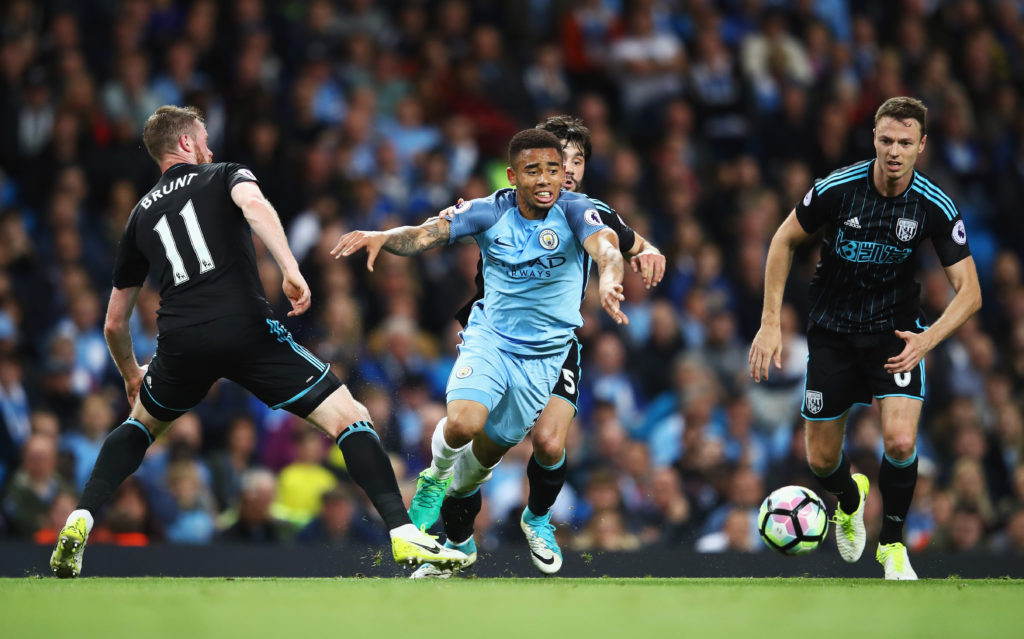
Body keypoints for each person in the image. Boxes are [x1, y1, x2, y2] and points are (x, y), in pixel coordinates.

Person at [49, 105, 465, 578]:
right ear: (185, 143)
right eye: (202, 139)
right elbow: (256, 206)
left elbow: (113, 322)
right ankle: (403, 532)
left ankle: (80, 516)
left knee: (140, 424)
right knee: (351, 417)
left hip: (180, 339)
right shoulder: (223, 174)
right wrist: (290, 267)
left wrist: (130, 375)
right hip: (243, 326)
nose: (209, 148)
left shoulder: (138, 217)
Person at [333, 128, 628, 576]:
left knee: (482, 462)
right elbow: (425, 234)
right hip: (490, 340)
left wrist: (609, 278)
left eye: (553, 169)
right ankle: (434, 476)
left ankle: (460, 531)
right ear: (513, 176)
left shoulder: (575, 210)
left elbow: (606, 247)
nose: (547, 179)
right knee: (464, 421)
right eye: (534, 171)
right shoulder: (489, 211)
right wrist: (384, 236)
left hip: (544, 360)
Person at [749, 97, 982, 580]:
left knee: (899, 442)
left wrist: (927, 339)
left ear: (922, 145)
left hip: (895, 335)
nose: (894, 151)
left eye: (904, 142)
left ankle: (892, 546)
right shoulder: (837, 189)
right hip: (832, 334)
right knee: (820, 460)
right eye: (885, 141)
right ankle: (851, 498)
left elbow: (971, 293)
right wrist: (771, 322)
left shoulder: (933, 205)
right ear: (874, 140)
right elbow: (782, 240)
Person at [435, 115, 666, 576]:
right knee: (474, 440)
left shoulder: (586, 209)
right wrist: (449, 216)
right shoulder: (502, 204)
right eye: (562, 158)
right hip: (496, 334)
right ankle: (455, 528)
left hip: (556, 344)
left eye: (577, 160)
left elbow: (623, 241)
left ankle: (537, 519)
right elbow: (462, 219)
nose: (569, 168)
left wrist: (647, 251)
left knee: (548, 440)